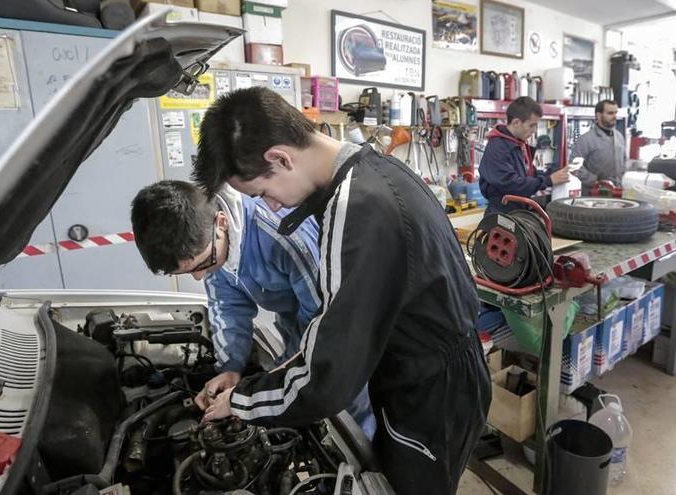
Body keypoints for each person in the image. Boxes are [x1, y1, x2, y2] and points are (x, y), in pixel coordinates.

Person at [191, 87, 491, 495]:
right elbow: (340, 331)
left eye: (263, 194)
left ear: (280, 158)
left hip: (430, 394)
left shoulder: (359, 208)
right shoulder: (374, 168)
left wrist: (243, 402)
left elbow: (327, 378)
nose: (273, 207)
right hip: (437, 372)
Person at [130, 180, 376, 436]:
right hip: (295, 320)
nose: (199, 276)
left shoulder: (283, 236)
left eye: (203, 264)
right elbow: (227, 308)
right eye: (189, 271)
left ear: (222, 223)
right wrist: (230, 368)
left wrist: (251, 395)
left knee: (347, 405)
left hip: (343, 325)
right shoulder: (211, 245)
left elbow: (323, 328)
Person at [478, 96, 569, 215]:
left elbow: (530, 174)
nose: (534, 130)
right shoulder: (497, 147)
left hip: (519, 211)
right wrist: (548, 180)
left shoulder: (518, 144)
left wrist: (556, 173)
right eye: (531, 125)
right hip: (502, 215)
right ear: (516, 122)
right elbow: (511, 184)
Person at [570, 99, 627, 188]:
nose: (615, 116)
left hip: (616, 192)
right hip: (592, 194)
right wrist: (594, 180)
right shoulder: (586, 140)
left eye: (616, 113)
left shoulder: (619, 137)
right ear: (599, 115)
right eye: (610, 113)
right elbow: (574, 166)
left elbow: (624, 161)